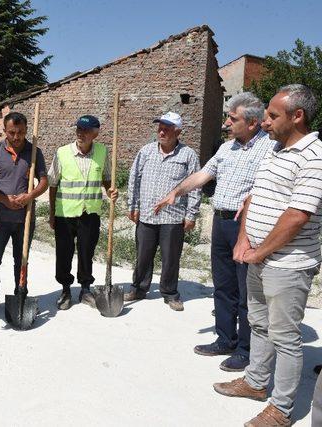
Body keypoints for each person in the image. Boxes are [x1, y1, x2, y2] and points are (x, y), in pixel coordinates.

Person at [213, 84, 321, 427]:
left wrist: (259, 250)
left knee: (285, 337)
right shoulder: (274, 151)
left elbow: (297, 215)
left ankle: (282, 408)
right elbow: (252, 201)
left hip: (287, 264)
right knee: (258, 324)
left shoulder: (314, 156)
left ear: (297, 116)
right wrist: (244, 241)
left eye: (273, 116)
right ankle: (256, 382)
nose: (265, 122)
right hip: (259, 257)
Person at [155, 93, 276, 371]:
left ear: (253, 123)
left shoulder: (269, 149)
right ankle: (225, 339)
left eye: (233, 119)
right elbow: (203, 175)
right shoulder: (225, 148)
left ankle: (246, 350)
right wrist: (176, 191)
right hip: (220, 224)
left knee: (247, 291)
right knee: (223, 286)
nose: (227, 122)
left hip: (247, 226)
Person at [126, 112, 200, 311]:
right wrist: (132, 206)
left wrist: (191, 214)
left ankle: (169, 292)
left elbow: (195, 186)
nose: (161, 131)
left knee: (170, 257)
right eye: (160, 127)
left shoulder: (188, 155)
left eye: (167, 128)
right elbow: (134, 179)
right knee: (142, 255)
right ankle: (139, 288)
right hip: (147, 215)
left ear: (178, 131)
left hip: (173, 216)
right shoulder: (146, 152)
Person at [48, 115, 118, 310]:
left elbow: (105, 177)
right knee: (64, 253)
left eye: (86, 130)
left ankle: (85, 289)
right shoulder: (62, 153)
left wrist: (110, 189)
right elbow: (53, 183)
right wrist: (52, 212)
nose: (81, 133)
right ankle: (65, 289)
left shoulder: (103, 152)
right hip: (65, 214)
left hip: (90, 213)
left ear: (96, 133)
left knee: (87, 251)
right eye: (78, 129)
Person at [0, 111, 48, 316]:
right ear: (5, 131)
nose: (17, 137)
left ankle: (21, 294)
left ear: (27, 130)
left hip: (24, 219)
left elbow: (44, 182)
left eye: (20, 132)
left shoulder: (35, 152)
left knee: (22, 259)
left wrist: (30, 196)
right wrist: (4, 200)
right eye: (12, 132)